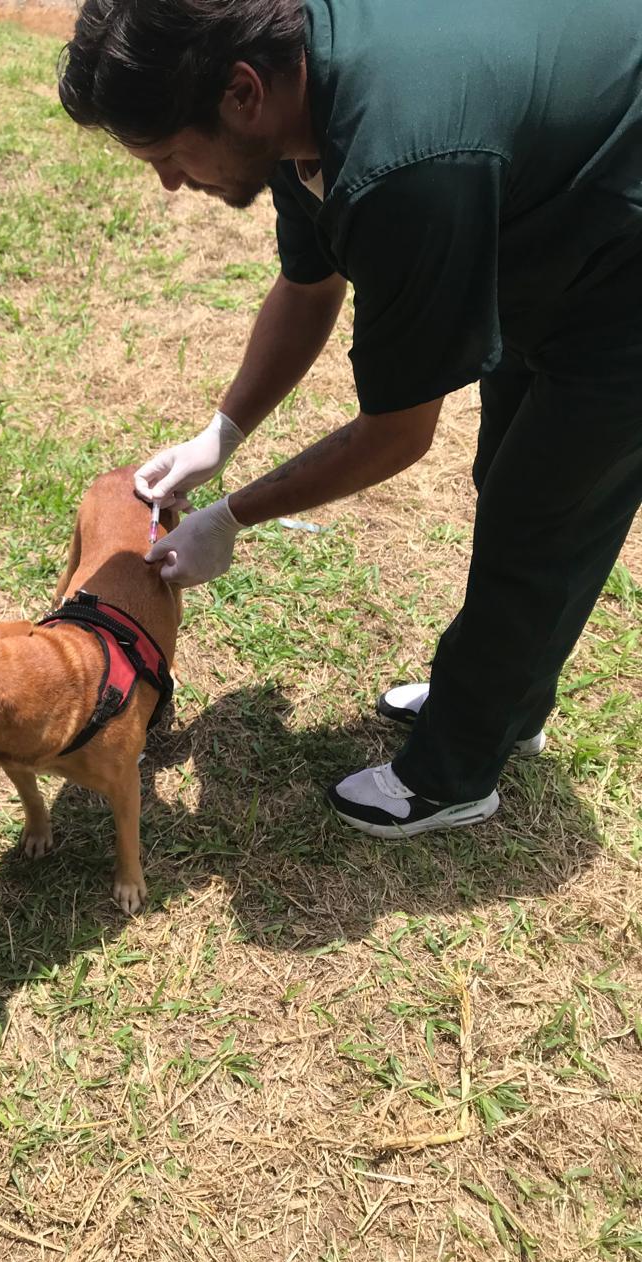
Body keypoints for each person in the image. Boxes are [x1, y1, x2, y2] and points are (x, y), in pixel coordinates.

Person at [58, 0, 642, 838]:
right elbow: (309, 287)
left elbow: (398, 434)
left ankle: (454, 775)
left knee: (543, 512)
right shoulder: (298, 99)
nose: (170, 182)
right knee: (515, 476)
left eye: (169, 154)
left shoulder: (404, 163)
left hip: (622, 262)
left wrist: (231, 516)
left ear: (240, 94)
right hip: (561, 207)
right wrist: (221, 434)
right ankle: (500, 701)